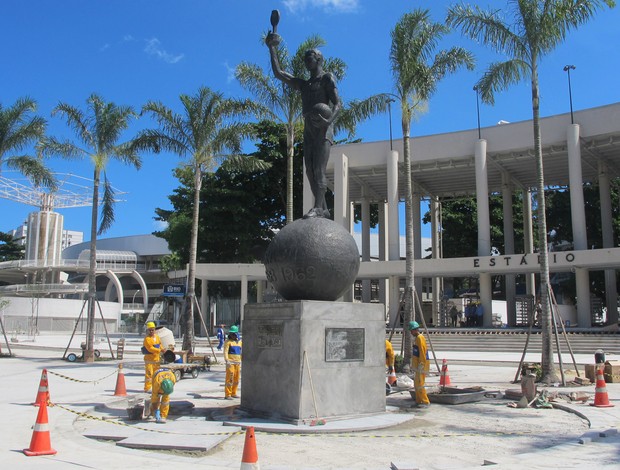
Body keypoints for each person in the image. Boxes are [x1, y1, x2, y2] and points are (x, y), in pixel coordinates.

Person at [266, 30, 342, 219]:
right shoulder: (304, 84)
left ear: (319, 59)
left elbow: (338, 103)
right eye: (305, 59)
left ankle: (318, 208)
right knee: (309, 170)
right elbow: (279, 73)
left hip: (323, 127)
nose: (307, 61)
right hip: (309, 128)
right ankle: (323, 208)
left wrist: (329, 121)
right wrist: (271, 48)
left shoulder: (327, 78)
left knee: (319, 170)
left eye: (310, 58)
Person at [408, 321, 430, 408]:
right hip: (418, 366)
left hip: (421, 365)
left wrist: (421, 363)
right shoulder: (417, 338)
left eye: (411, 331)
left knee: (420, 384)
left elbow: (422, 352)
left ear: (414, 330)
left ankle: (425, 401)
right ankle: (419, 400)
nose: (411, 332)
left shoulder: (420, 338)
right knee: (417, 384)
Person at [223, 325, 242, 399]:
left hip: (237, 362)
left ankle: (234, 392)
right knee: (230, 378)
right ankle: (228, 394)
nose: (232, 335)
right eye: (231, 333)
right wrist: (227, 360)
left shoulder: (239, 342)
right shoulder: (228, 342)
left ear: (236, 334)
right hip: (230, 363)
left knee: (236, 379)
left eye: (233, 334)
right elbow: (225, 351)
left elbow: (241, 351)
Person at [142, 321, 162, 393]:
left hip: (156, 360)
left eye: (152, 330)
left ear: (155, 329)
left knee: (156, 375)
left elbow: (160, 345)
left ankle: (156, 387)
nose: (151, 331)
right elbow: (150, 348)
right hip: (149, 361)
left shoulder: (157, 337)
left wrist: (163, 349)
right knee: (149, 375)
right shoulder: (147, 339)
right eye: (149, 330)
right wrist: (159, 350)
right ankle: (147, 388)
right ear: (147, 330)